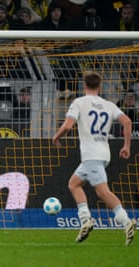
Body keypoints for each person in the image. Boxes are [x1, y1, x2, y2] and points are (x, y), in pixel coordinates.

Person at [52, 71, 136, 246]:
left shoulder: (79, 103)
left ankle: (126, 221)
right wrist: (126, 146)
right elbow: (127, 122)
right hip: (102, 153)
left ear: (84, 86)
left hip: (91, 155)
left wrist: (57, 137)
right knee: (73, 183)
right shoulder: (109, 105)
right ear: (99, 86)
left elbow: (68, 125)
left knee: (102, 192)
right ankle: (86, 220)